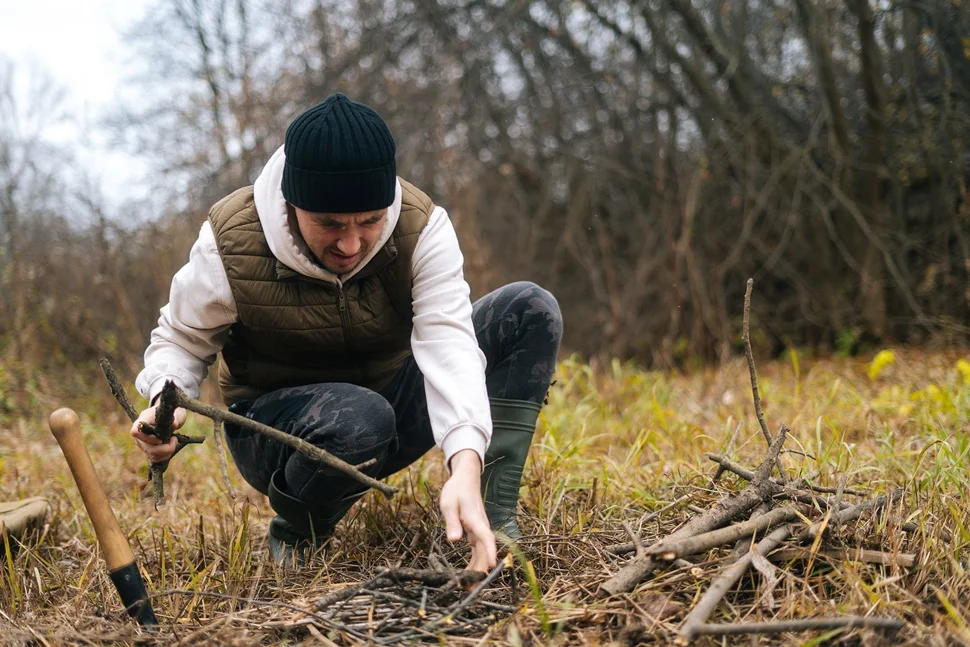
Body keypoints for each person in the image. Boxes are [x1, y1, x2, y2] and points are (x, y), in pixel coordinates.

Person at [129, 93, 562, 571]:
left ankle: (490, 514)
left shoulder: (423, 228)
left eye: (370, 221)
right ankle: (298, 531)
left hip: (391, 404)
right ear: (292, 204)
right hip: (277, 432)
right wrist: (163, 402)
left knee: (527, 309)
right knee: (360, 418)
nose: (351, 244)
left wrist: (466, 464)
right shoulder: (231, 242)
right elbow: (181, 339)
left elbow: (450, 343)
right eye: (330, 224)